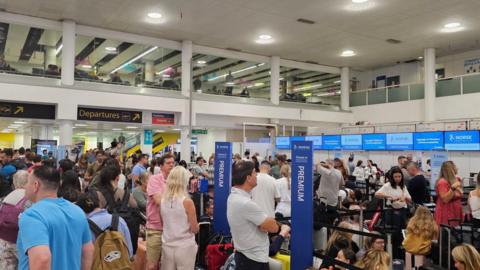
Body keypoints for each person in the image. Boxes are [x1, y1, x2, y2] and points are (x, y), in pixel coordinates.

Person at [16, 166, 94, 270]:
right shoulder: (77, 211)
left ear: (36, 185)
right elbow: (88, 251)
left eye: (28, 182)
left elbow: (42, 259)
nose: (25, 186)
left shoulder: (33, 216)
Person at [227, 160, 281, 270]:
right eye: (254, 173)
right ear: (248, 178)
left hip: (247, 256)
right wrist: (269, 223)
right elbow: (273, 227)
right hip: (253, 260)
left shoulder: (234, 197)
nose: (256, 175)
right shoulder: (245, 203)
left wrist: (264, 223)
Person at [160, 166, 199, 270]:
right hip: (185, 247)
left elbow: (163, 223)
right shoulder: (187, 202)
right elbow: (194, 229)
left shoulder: (162, 201)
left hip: (167, 246)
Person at [76, 190, 134, 259]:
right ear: (99, 203)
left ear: (81, 209)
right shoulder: (119, 221)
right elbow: (129, 253)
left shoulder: (83, 227)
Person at [146, 153, 175, 270]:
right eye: (168, 163)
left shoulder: (175, 182)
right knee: (152, 265)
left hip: (170, 230)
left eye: (173, 163)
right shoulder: (154, 179)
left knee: (167, 266)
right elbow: (159, 201)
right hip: (155, 228)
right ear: (161, 166)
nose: (171, 165)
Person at [0, 170, 29, 270]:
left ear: (14, 182)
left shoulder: (6, 197)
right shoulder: (29, 197)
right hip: (20, 239)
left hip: (3, 238)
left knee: (6, 265)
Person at [434, 161, 463, 226]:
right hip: (446, 211)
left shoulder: (456, 179)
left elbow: (461, 193)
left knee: (454, 232)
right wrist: (453, 188)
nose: (457, 168)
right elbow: (445, 199)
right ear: (450, 169)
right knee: (446, 233)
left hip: (454, 210)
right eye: (455, 167)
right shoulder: (442, 182)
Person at [316, 160, 343, 224]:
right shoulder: (339, 172)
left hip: (325, 202)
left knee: (323, 221)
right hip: (334, 201)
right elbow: (341, 184)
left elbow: (317, 165)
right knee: (331, 220)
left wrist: (323, 164)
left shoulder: (326, 171)